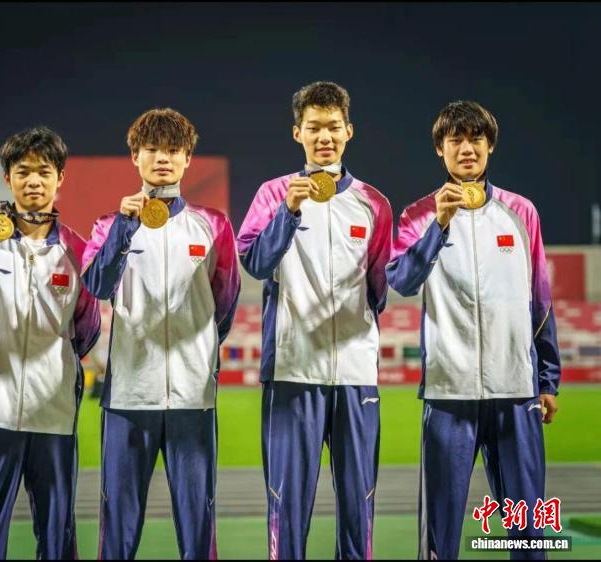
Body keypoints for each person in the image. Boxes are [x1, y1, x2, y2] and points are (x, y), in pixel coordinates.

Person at [386, 100, 561, 560]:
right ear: (440, 150)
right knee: (440, 534)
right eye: (456, 140)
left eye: (476, 139)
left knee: (528, 531)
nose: (467, 148)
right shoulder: (417, 214)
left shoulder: (522, 212)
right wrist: (439, 226)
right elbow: (401, 281)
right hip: (449, 393)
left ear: (490, 146)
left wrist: (547, 380)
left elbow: (540, 301)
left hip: (516, 391)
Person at [236, 81, 393, 560]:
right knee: (287, 509)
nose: (324, 136)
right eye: (313, 127)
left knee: (358, 506)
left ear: (349, 131)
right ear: (297, 133)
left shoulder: (374, 203)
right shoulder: (272, 194)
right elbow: (255, 263)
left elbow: (379, 287)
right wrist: (288, 212)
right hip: (293, 372)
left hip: (355, 375)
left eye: (333, 127)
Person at [81, 107, 240, 560]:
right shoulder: (108, 225)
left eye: (173, 150)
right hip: (128, 397)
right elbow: (96, 286)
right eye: (152, 149)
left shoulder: (214, 225)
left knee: (197, 525)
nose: (163, 158)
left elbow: (225, 302)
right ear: (135, 156)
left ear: (188, 158)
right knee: (118, 526)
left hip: (193, 397)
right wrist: (124, 228)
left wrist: (199, 353)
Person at [0, 126, 101, 560]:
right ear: (7, 178)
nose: (33, 181)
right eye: (23, 171)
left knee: (57, 533)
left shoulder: (78, 249)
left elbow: (87, 329)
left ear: (60, 178)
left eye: (44, 172)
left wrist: (52, 370)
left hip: (53, 414)